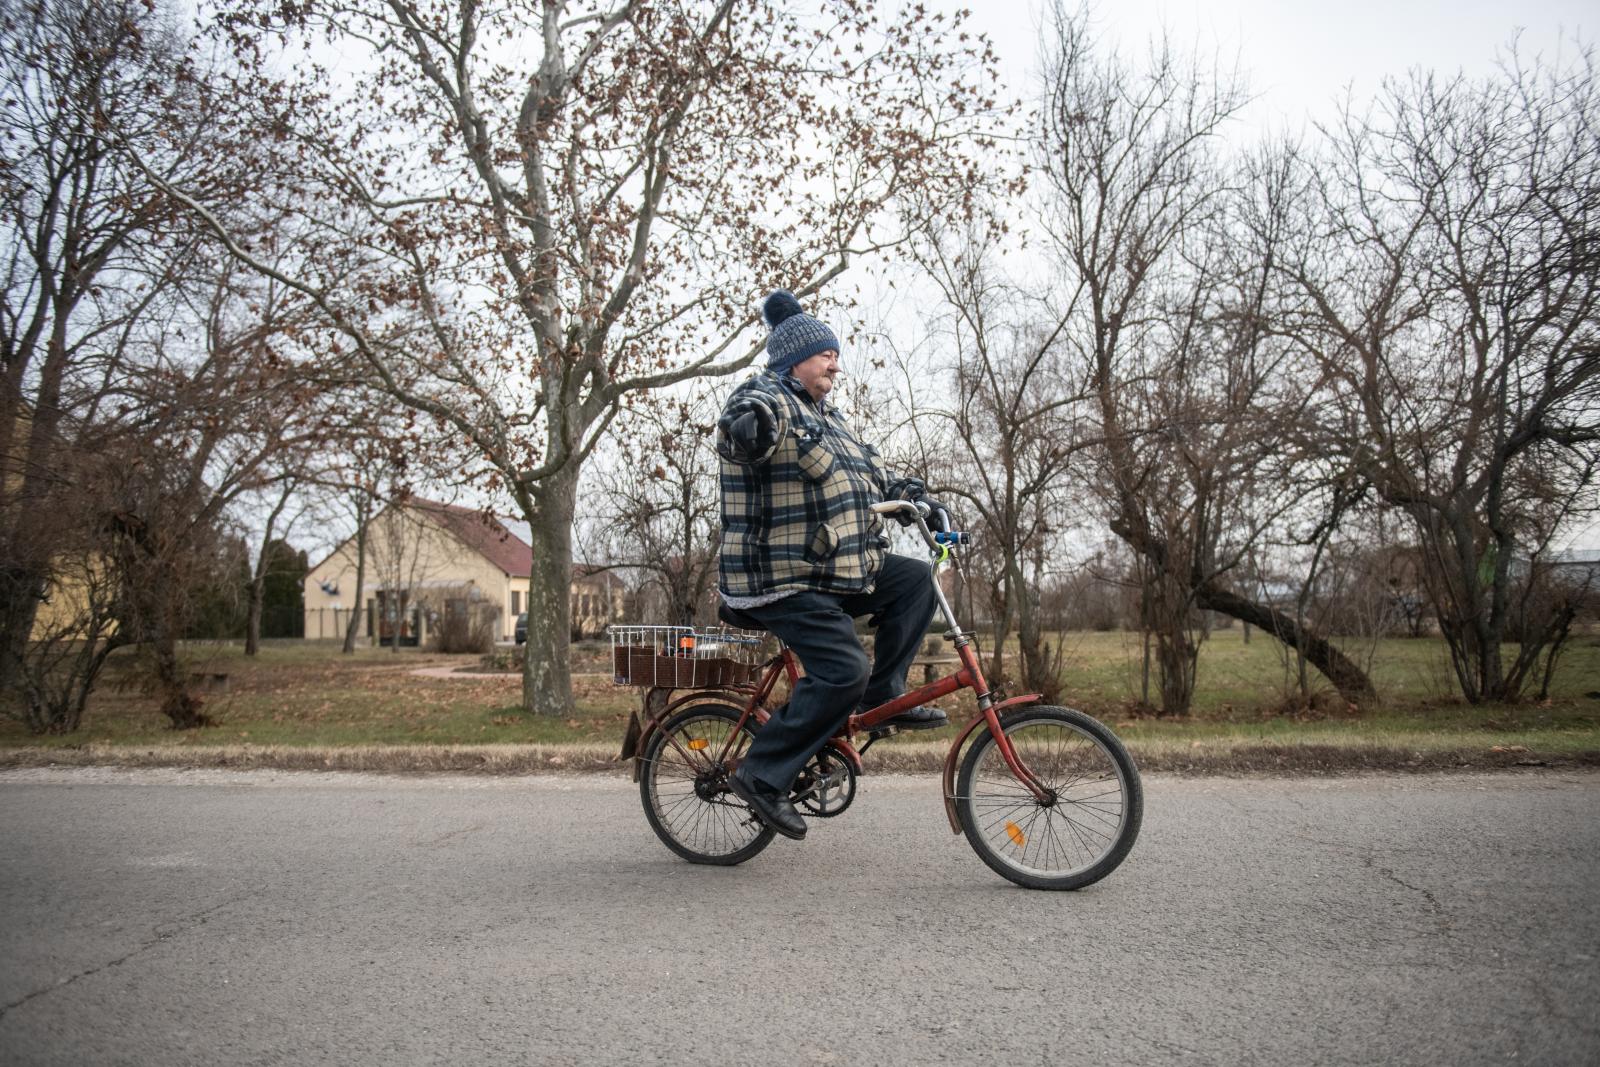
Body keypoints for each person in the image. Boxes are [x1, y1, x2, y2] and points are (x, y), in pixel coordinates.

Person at [715, 289, 950, 840]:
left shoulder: (831, 418)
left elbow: (873, 479)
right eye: (827, 355)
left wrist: (919, 500)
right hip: (780, 576)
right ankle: (761, 773)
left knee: (915, 579)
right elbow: (743, 425)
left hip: (832, 569)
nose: (836, 365)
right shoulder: (767, 397)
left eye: (836, 355)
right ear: (794, 357)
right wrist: (745, 429)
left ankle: (884, 697)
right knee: (843, 668)